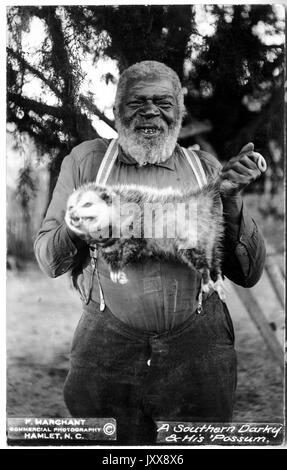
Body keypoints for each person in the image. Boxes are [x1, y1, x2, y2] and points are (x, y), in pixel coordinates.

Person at [34, 61, 266, 445]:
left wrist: (232, 202)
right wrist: (82, 221)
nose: (150, 112)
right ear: (116, 111)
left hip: (199, 356)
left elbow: (248, 272)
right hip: (107, 356)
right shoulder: (87, 161)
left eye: (163, 102)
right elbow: (47, 258)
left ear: (180, 111)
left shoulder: (205, 167)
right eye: (136, 102)